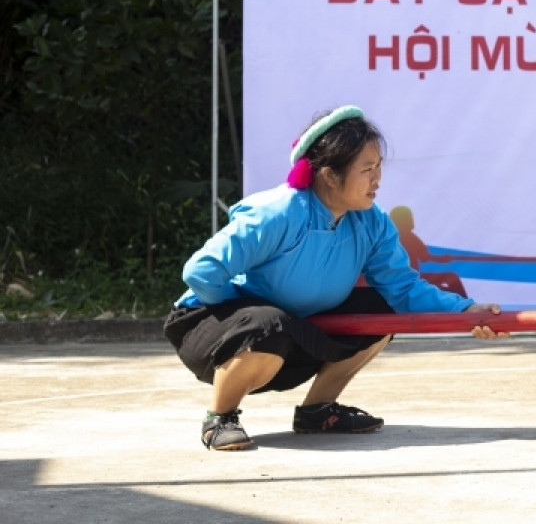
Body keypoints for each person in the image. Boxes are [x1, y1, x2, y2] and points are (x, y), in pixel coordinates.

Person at [165, 106, 505, 452]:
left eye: (379, 168)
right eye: (367, 169)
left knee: (380, 309)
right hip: (211, 324)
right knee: (269, 323)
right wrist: (244, 312)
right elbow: (201, 271)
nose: (377, 179)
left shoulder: (372, 223)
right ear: (329, 175)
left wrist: (467, 311)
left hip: (291, 327)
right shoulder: (278, 212)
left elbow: (403, 289)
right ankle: (220, 418)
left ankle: (318, 412)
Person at [389, 205, 468, 298]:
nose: (412, 220)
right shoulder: (409, 238)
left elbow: (424, 258)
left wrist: (443, 258)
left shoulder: (389, 238)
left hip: (401, 281)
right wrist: (443, 259)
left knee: (447, 284)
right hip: (412, 281)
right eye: (410, 218)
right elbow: (425, 258)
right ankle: (466, 307)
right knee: (452, 278)